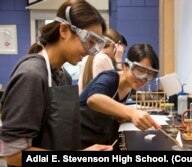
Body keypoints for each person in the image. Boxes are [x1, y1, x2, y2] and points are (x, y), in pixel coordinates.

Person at [0, 1, 112, 166]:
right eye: (88, 41)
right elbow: (14, 154)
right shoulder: (32, 75)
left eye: (94, 45)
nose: (89, 51)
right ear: (64, 30)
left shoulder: (63, 76)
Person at [79, 43, 161, 149]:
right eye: (139, 71)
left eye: (150, 74)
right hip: (80, 139)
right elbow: (94, 99)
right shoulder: (109, 78)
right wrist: (131, 112)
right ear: (125, 66)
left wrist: (120, 116)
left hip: (99, 137)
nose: (143, 79)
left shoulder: (131, 87)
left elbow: (108, 110)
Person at [78, 28, 126, 94]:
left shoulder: (88, 56)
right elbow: (119, 89)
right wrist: (118, 59)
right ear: (114, 46)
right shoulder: (104, 59)